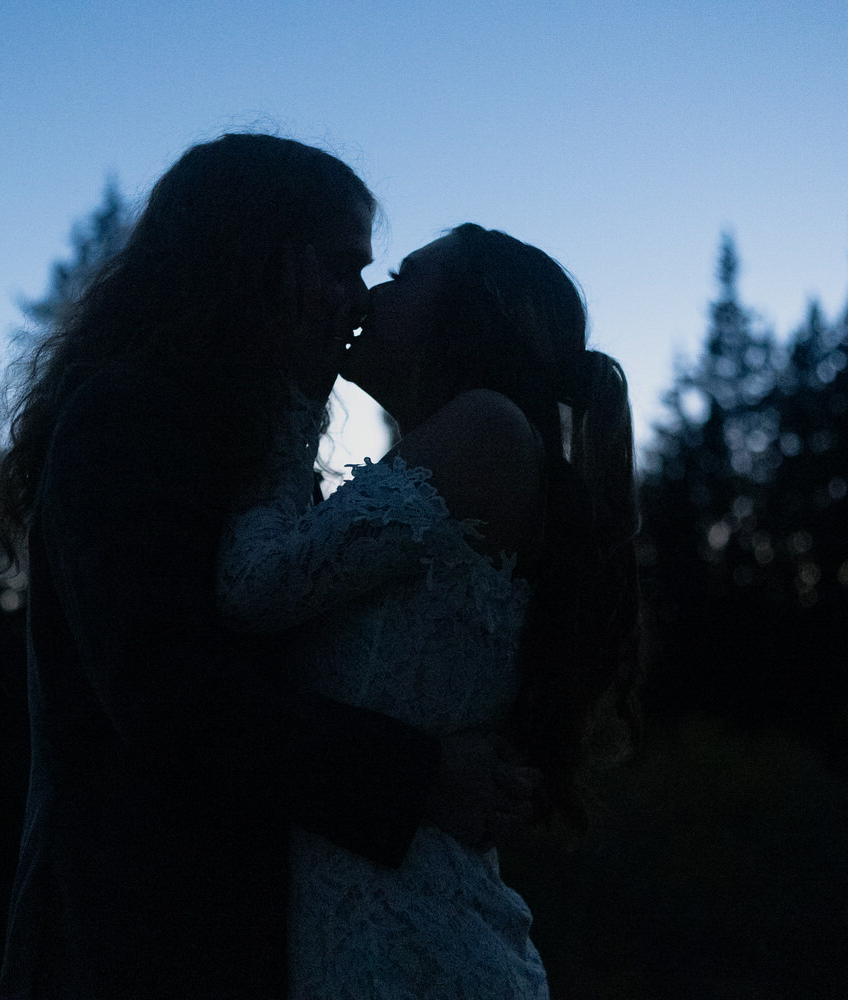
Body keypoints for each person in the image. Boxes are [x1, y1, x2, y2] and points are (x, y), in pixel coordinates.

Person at [0, 136, 535, 999]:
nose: (359, 305)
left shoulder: (236, 442)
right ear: (247, 258)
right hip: (138, 952)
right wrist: (418, 774)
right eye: (340, 267)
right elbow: (168, 695)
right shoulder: (132, 418)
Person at [218, 223, 642, 997]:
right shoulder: (469, 451)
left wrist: (285, 399)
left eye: (408, 276)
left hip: (415, 954)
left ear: (469, 315)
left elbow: (256, 584)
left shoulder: (488, 429)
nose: (373, 293)